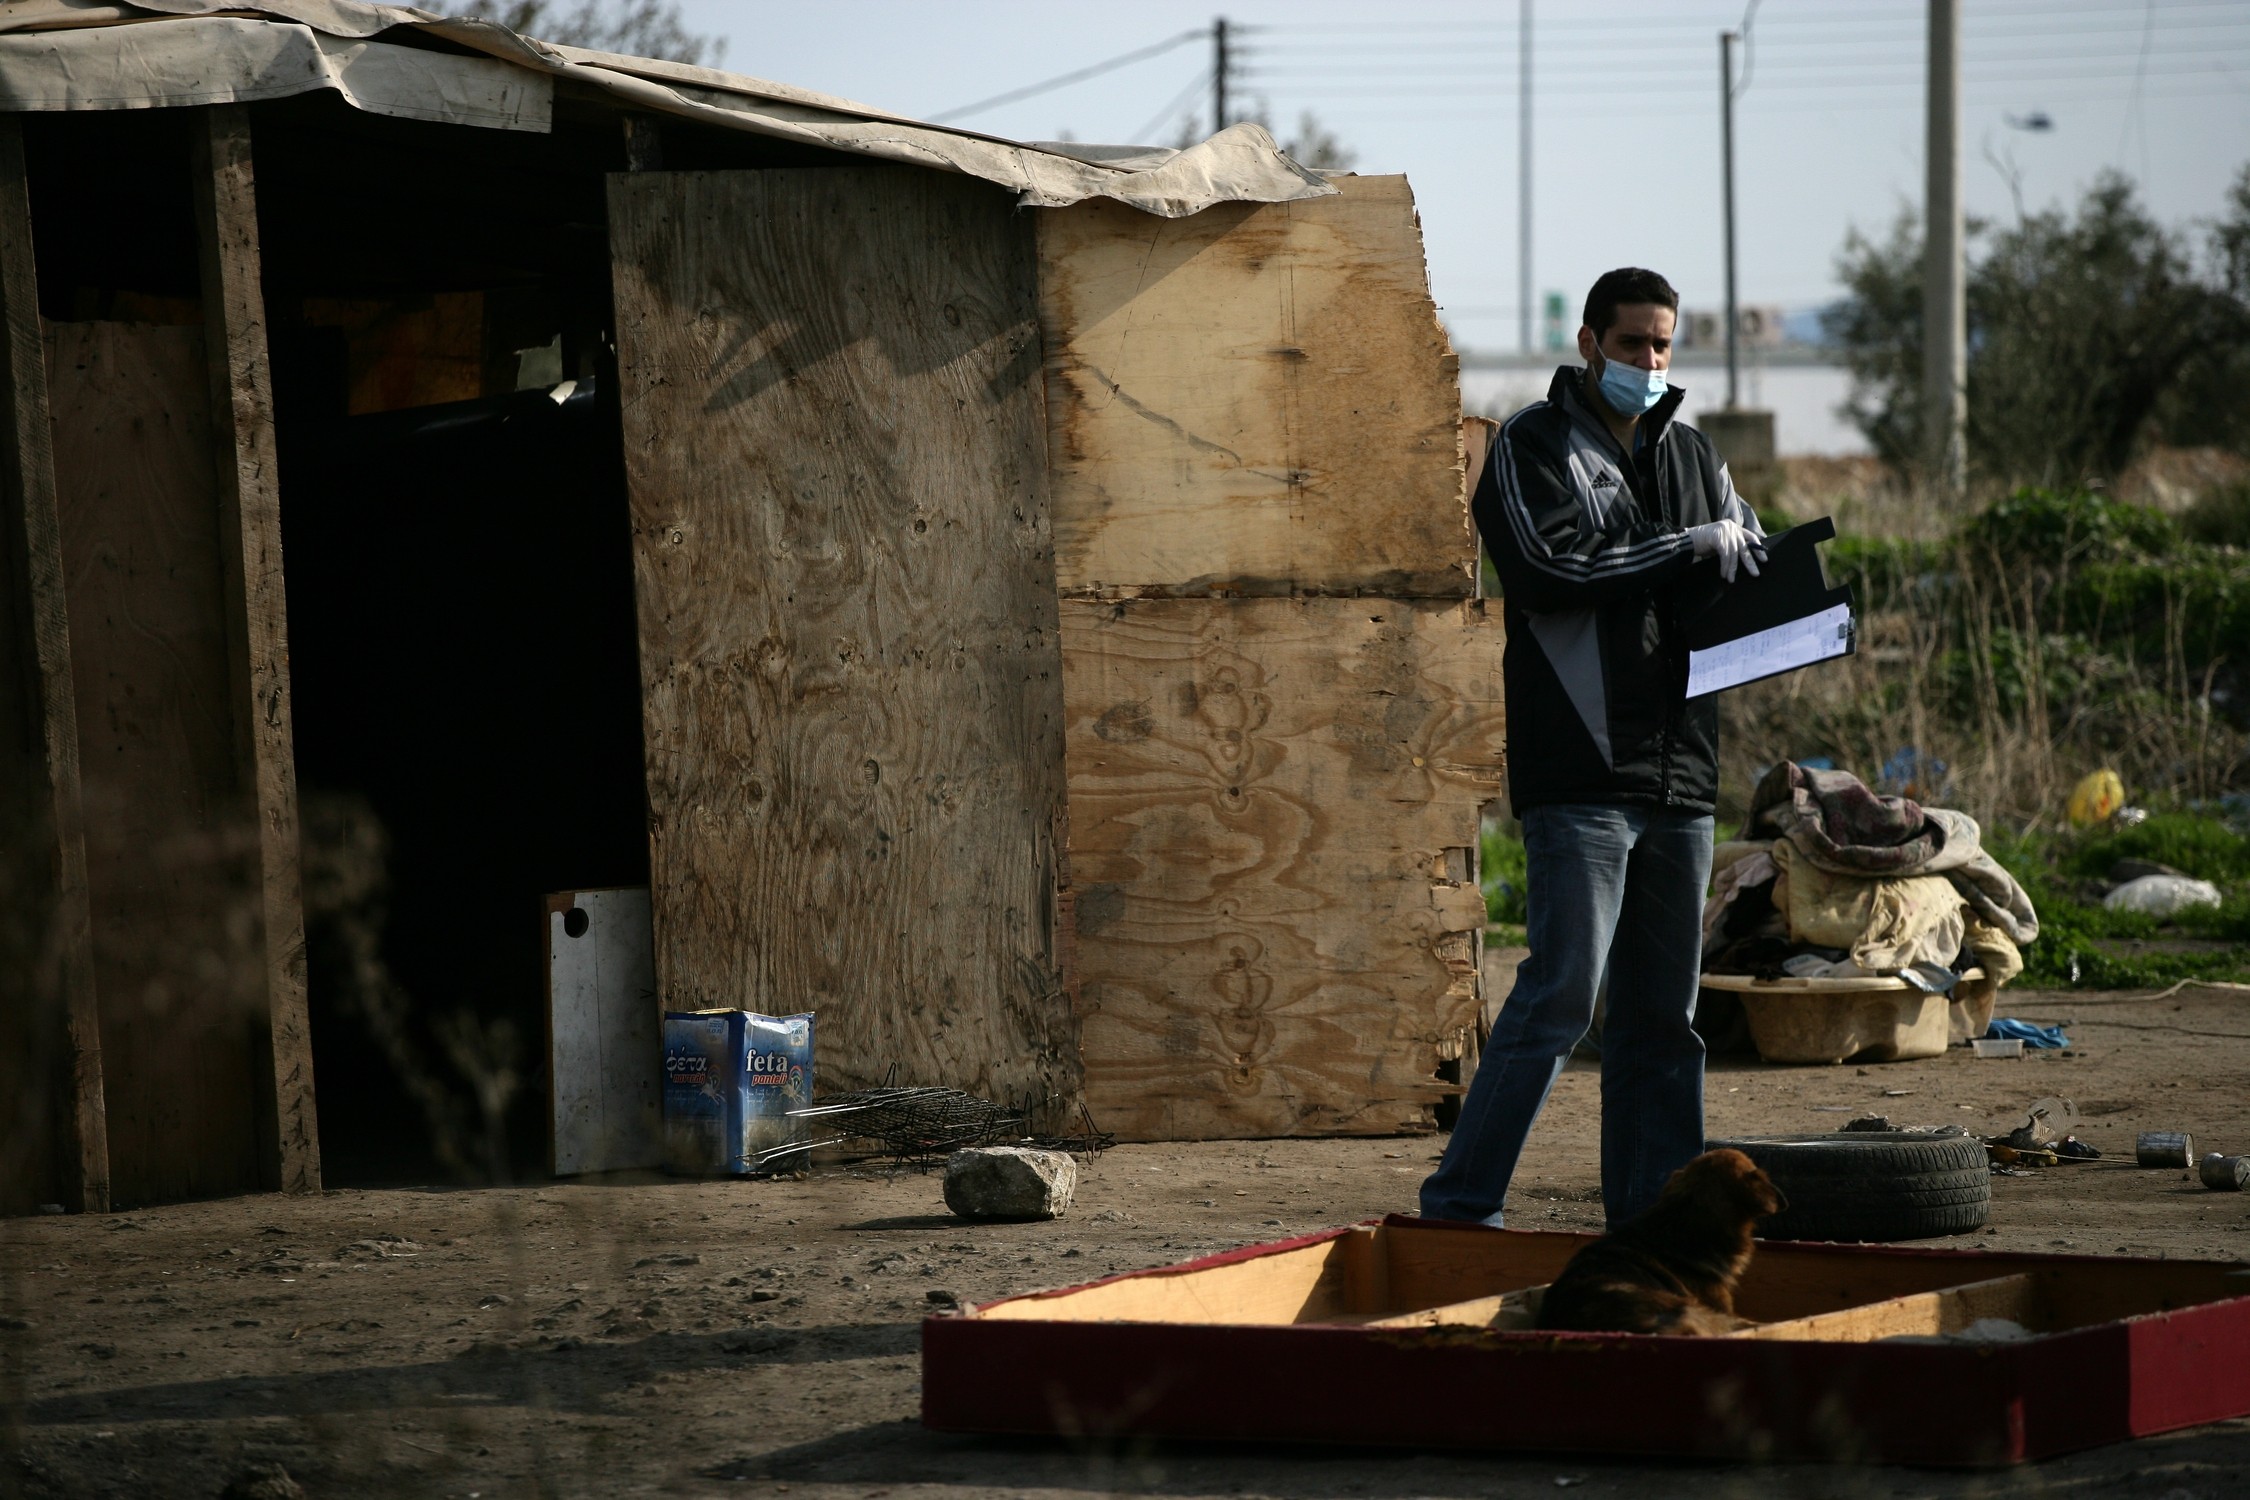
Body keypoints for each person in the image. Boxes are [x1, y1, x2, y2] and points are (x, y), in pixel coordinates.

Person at [1420, 267, 1766, 1229]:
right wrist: (1687, 548)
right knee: (1560, 997)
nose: (1648, 363)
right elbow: (1546, 568)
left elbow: (1743, 554)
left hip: (1682, 773)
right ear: (1586, 343)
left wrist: (1764, 574)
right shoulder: (1531, 446)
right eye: (1630, 345)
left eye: (1662, 345)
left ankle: (1658, 1227)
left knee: (1663, 1022)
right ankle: (1460, 1207)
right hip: (1580, 771)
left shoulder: (1699, 457)